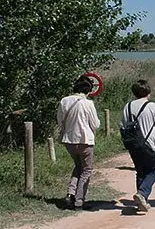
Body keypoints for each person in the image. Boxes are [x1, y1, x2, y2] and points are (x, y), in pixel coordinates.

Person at [120, 80, 155, 212]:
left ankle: (141, 200)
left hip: (133, 143)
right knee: (154, 170)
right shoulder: (151, 106)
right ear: (148, 91)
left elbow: (123, 125)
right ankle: (142, 194)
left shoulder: (128, 106)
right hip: (150, 142)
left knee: (140, 172)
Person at [58, 76, 100, 211]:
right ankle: (79, 200)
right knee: (86, 170)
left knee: (78, 167)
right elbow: (96, 124)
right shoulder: (88, 103)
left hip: (69, 140)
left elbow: (59, 120)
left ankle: (70, 194)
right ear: (88, 90)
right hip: (84, 140)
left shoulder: (64, 101)